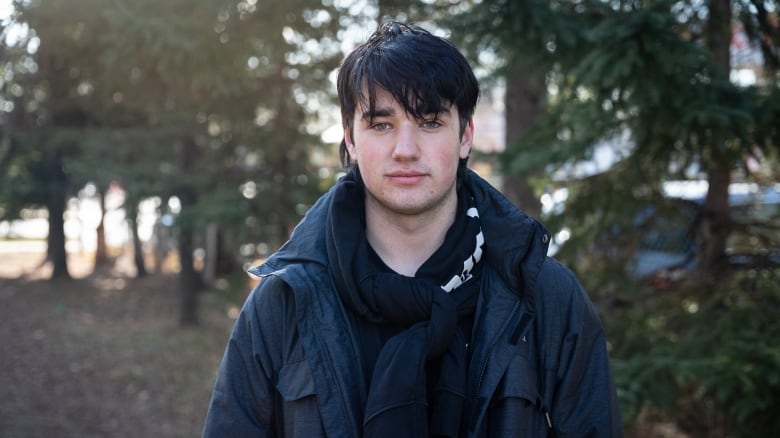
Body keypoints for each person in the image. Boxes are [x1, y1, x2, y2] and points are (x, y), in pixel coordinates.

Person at [202, 21, 622, 437]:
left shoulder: (544, 299)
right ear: (350, 139)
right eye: (381, 125)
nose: (405, 150)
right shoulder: (285, 303)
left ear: (465, 137)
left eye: (430, 122)